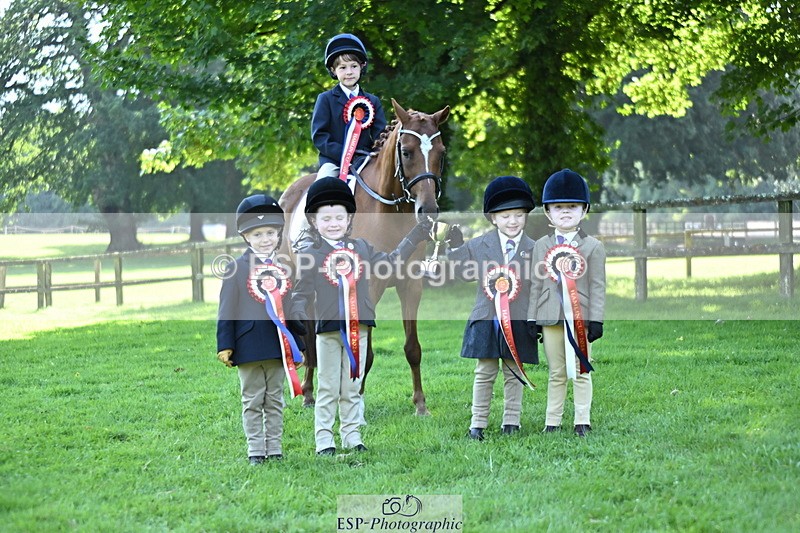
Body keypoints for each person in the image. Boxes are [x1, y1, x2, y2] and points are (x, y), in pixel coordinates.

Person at [288, 177, 432, 456]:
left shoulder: (362, 248)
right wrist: (295, 313)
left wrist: (413, 237)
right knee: (329, 386)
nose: (333, 224)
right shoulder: (311, 254)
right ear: (314, 222)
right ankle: (324, 440)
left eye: (339, 218)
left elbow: (390, 263)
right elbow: (302, 291)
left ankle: (352, 435)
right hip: (328, 330)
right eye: (326, 218)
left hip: (359, 328)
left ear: (349, 219)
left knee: (352, 386)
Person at [445, 176, 539, 441]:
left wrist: (536, 319)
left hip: (519, 320)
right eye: (506, 215)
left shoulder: (534, 248)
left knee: (514, 371)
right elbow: (459, 271)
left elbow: (539, 287)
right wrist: (454, 247)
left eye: (518, 215)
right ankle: (478, 423)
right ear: (493, 218)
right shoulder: (479, 244)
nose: (513, 221)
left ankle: (512, 422)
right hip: (487, 318)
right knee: (485, 372)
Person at [216, 194, 307, 464]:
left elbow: (288, 310)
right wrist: (225, 344)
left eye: (270, 233)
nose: (265, 239)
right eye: (258, 234)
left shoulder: (283, 268)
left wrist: (298, 345)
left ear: (278, 234)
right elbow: (226, 310)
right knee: (253, 400)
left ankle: (275, 448)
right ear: (246, 237)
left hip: (278, 346)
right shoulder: (235, 268)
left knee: (275, 400)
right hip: (248, 347)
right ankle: (256, 450)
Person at [526, 169, 606, 437]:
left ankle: (582, 420)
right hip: (549, 316)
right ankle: (553, 421)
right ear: (548, 213)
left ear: (584, 210)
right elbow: (535, 285)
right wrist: (531, 320)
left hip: (580, 317)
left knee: (581, 369)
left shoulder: (593, 246)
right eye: (558, 207)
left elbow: (597, 286)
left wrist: (597, 319)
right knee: (556, 371)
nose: (565, 213)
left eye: (572, 207)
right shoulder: (541, 246)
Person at [312, 33, 387, 182]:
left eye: (354, 66)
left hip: (365, 161)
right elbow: (320, 136)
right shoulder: (325, 99)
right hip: (334, 162)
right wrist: (346, 154)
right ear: (333, 70)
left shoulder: (373, 101)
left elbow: (382, 136)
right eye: (342, 67)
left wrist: (373, 154)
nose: (349, 72)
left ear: (362, 66)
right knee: (322, 185)